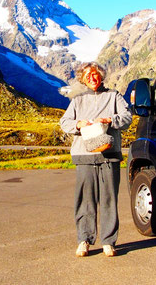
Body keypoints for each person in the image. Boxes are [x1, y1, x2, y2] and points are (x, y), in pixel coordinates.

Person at [59, 62, 132, 257]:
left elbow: (127, 117)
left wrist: (110, 120)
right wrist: (78, 124)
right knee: (85, 200)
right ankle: (84, 240)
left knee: (109, 199)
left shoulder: (114, 96)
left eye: (95, 74)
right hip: (84, 156)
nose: (92, 77)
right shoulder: (77, 100)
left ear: (101, 76)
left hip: (110, 155)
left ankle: (108, 241)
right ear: (82, 79)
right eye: (88, 75)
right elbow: (64, 122)